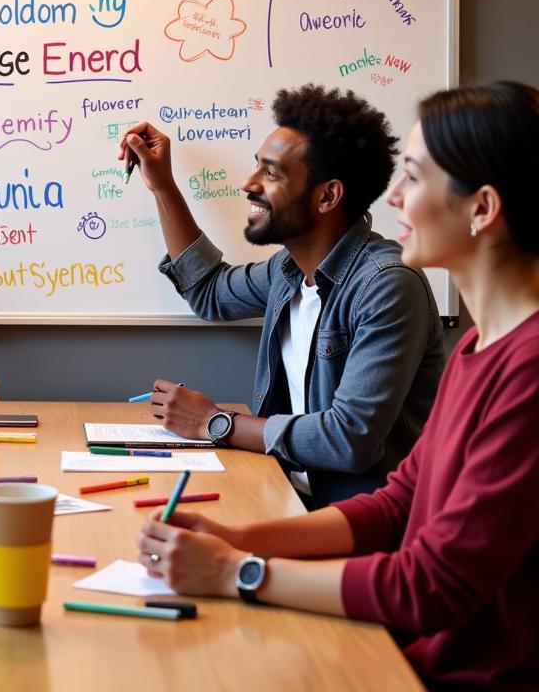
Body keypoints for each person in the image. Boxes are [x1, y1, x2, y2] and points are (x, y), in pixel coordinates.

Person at [136, 80, 539, 690]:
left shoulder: (522, 366)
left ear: (481, 209)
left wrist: (239, 571)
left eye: (415, 176)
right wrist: (237, 537)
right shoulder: (478, 350)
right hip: (410, 637)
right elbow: (398, 502)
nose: (395, 197)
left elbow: (433, 581)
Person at [121, 85, 444, 506]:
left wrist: (216, 423)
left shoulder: (386, 284)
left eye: (270, 173)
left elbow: (350, 439)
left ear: (327, 196)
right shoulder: (287, 271)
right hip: (285, 494)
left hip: (359, 526)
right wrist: (162, 185)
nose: (248, 183)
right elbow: (209, 290)